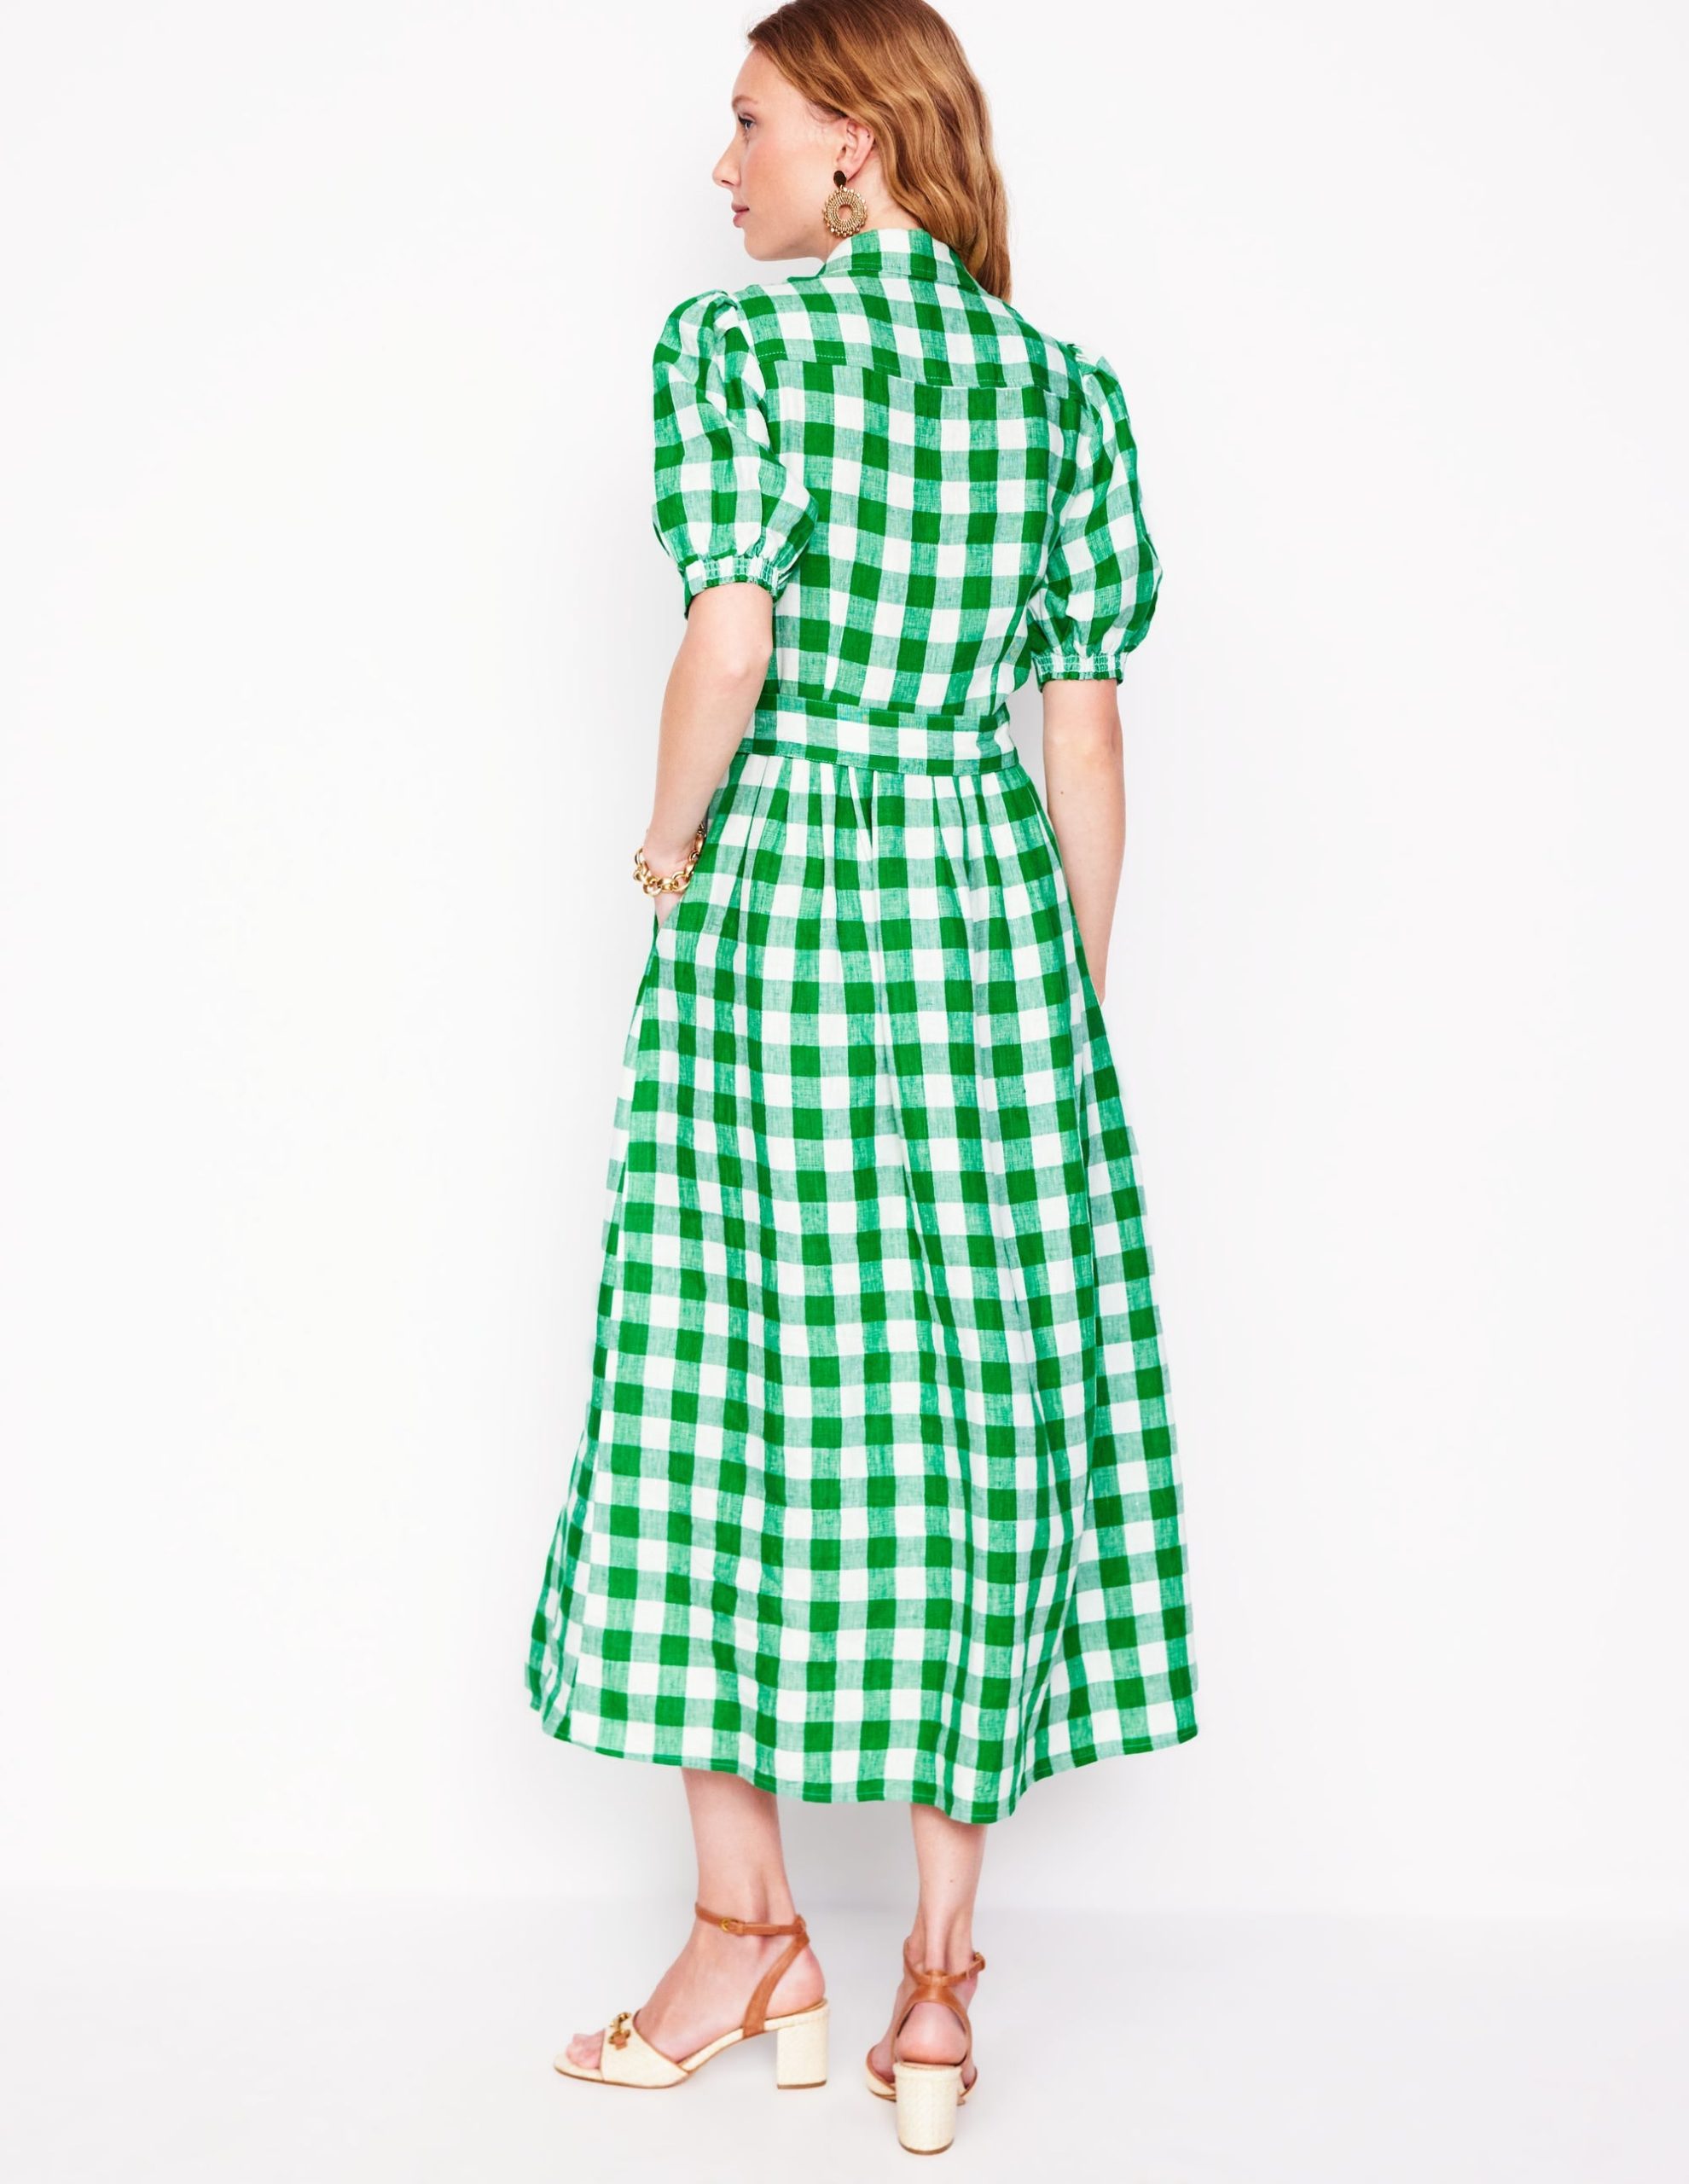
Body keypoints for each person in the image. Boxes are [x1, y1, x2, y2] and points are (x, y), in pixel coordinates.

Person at [524, 0, 1198, 2152]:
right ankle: (934, 1992)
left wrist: (663, 854)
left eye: (748, 121)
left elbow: (727, 643)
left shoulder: (738, 348)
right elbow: (1084, 732)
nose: (718, 164)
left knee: (720, 1371)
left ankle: (745, 1935)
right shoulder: (1064, 395)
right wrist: (1063, 1000)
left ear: (858, 147)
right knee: (978, 1401)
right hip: (989, 913)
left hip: (792, 885)